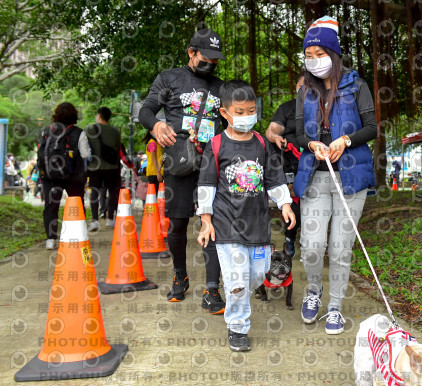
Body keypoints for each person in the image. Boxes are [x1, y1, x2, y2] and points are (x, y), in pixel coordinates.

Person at [196, 80, 295, 351]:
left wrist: (285, 204)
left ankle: (237, 294)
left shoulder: (262, 143)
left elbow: (274, 177)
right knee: (238, 280)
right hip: (226, 225)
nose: (245, 116)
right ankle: (238, 327)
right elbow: (206, 185)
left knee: (255, 276)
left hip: (258, 226)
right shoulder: (216, 145)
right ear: (225, 113)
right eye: (239, 112)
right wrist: (206, 220)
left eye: (250, 110)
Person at [294, 16, 377, 334]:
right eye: (309, 55)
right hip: (316, 176)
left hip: (351, 179)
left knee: (341, 249)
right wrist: (312, 143)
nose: (314, 61)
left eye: (320, 53)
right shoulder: (306, 91)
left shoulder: (356, 85)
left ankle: (335, 309)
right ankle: (314, 291)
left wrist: (345, 140)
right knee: (312, 246)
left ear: (334, 53)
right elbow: (300, 134)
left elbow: (371, 128)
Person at [139, 28, 226, 313]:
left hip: (212, 164)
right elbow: (146, 110)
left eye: (215, 60)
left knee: (211, 223)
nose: (210, 64)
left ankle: (212, 289)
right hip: (180, 162)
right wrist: (156, 125)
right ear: (191, 52)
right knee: (177, 223)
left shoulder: (222, 87)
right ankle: (180, 274)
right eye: (206, 57)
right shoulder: (169, 78)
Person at [37, 102, 90, 249]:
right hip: (73, 176)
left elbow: (41, 152)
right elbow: (85, 154)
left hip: (50, 176)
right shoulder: (79, 132)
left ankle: (50, 240)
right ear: (74, 115)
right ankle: (78, 235)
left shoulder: (48, 130)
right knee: (77, 205)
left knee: (51, 206)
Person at [265, 71, 304, 257]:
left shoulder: (324, 108)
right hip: (291, 164)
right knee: (293, 203)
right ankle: (290, 236)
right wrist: (275, 137)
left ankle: (311, 241)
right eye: (302, 86)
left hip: (317, 163)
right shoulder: (288, 108)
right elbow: (272, 130)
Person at [85, 107, 122, 232]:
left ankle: (95, 220)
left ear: (99, 116)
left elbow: (84, 146)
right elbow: (118, 150)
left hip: (95, 166)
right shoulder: (115, 131)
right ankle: (111, 219)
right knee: (112, 192)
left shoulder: (90, 128)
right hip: (112, 167)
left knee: (95, 191)